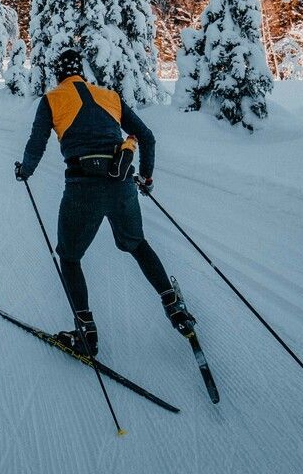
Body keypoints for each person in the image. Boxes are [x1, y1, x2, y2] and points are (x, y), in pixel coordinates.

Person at [15, 48, 195, 357]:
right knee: (137, 244)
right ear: (82, 72)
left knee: (70, 257)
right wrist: (146, 177)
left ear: (60, 74)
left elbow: (37, 142)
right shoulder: (108, 95)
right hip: (121, 181)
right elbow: (147, 137)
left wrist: (25, 170)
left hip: (83, 186)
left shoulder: (52, 99)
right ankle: (175, 307)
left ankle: (86, 333)